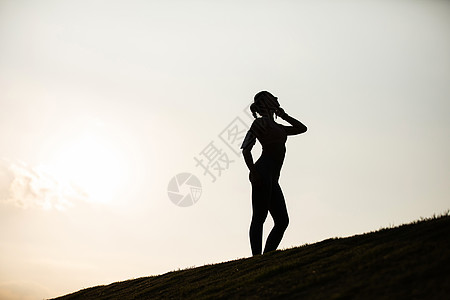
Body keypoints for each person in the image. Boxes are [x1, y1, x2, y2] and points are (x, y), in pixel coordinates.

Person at [241, 91, 307, 256]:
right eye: (272, 97)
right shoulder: (260, 123)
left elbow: (302, 128)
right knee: (259, 217)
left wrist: (284, 115)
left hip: (272, 177)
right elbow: (246, 149)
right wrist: (253, 172)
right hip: (262, 173)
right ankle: (256, 257)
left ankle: (267, 255)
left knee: (282, 221)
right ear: (265, 102)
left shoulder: (278, 127)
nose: (277, 99)